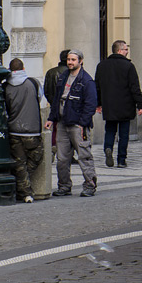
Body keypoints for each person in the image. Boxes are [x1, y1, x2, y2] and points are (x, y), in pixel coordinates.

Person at [46, 49, 98, 197]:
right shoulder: (63, 77)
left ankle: (90, 185)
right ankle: (64, 186)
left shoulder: (86, 80)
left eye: (73, 60)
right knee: (62, 158)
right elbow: (56, 100)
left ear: (80, 61)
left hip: (78, 125)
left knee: (84, 156)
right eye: (69, 59)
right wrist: (51, 118)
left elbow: (90, 104)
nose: (70, 62)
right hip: (62, 122)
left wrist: (82, 123)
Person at [96, 40, 142, 169]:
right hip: (125, 105)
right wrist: (140, 104)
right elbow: (134, 87)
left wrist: (98, 103)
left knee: (110, 130)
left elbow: (97, 87)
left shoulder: (101, 65)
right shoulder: (128, 66)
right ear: (119, 51)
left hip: (109, 105)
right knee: (124, 135)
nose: (127, 52)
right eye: (125, 49)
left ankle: (108, 148)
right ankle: (121, 160)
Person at [3, 58, 44, 203]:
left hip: (14, 129)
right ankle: (26, 191)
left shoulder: (6, 86)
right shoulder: (33, 83)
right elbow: (39, 98)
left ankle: (23, 189)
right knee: (37, 156)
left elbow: (6, 107)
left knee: (19, 163)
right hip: (32, 129)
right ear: (23, 68)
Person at [44, 50, 70, 156]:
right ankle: (68, 153)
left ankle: (54, 145)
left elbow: (46, 90)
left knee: (56, 127)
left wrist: (53, 102)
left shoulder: (51, 72)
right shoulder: (71, 73)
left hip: (55, 105)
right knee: (68, 130)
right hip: (68, 106)